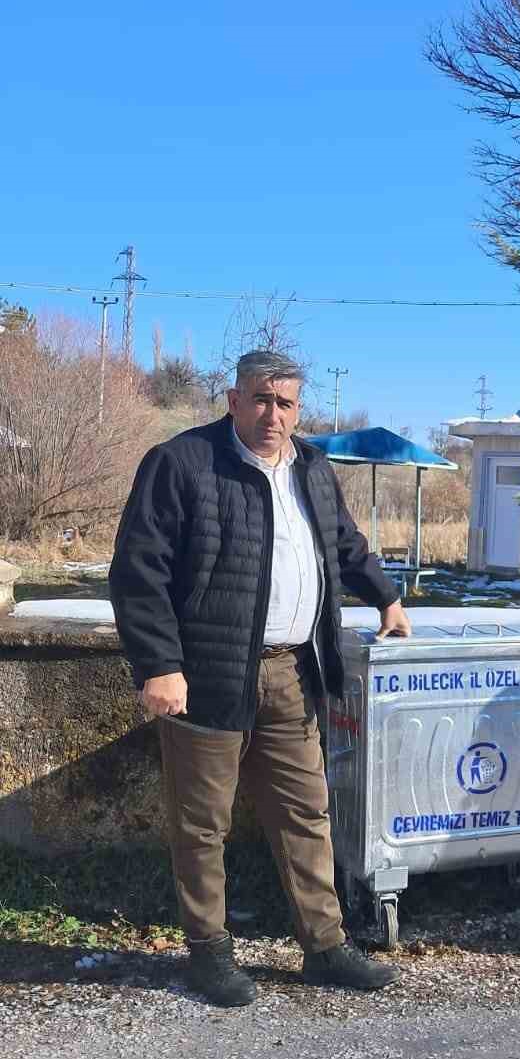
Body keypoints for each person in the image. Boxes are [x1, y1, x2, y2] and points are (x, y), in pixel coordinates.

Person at [110, 349, 413, 1007]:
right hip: (207, 676)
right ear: (233, 399)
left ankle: (326, 947)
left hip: (291, 673)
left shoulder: (312, 466)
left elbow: (345, 545)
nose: (273, 414)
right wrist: (160, 665)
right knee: (202, 823)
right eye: (260, 399)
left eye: (286, 403)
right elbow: (139, 573)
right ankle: (209, 955)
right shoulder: (181, 464)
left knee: (307, 814)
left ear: (298, 408)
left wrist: (386, 596)